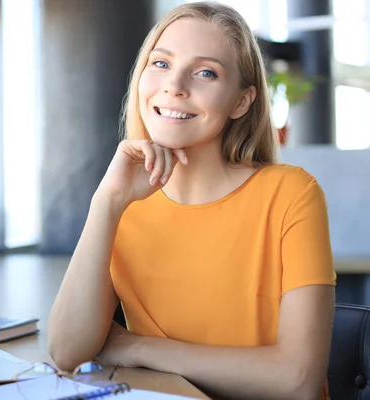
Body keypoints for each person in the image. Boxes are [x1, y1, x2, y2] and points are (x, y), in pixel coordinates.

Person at [47, 2, 336, 400]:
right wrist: (106, 202)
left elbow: (297, 379)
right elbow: (65, 351)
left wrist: (136, 346)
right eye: (161, 63)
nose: (175, 86)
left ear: (241, 101)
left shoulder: (291, 194)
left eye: (206, 72)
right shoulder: (123, 204)